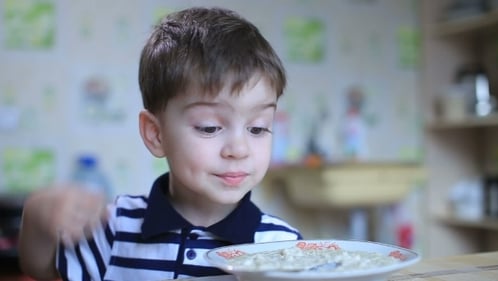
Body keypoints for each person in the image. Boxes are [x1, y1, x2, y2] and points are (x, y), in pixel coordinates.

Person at [18, 6, 302, 281]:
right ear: (156, 134)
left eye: (257, 128)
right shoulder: (115, 227)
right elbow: (39, 269)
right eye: (210, 127)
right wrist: (37, 216)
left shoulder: (283, 247)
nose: (239, 150)